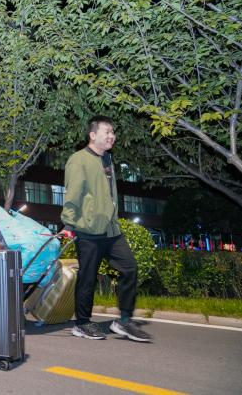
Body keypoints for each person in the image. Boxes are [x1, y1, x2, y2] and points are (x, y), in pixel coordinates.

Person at [61, 115, 151, 342]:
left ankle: (124, 321)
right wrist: (69, 224)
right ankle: (82, 323)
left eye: (113, 132)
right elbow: (72, 194)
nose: (112, 136)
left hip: (111, 230)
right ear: (93, 135)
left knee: (129, 267)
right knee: (88, 278)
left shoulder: (107, 159)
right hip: (88, 229)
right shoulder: (79, 159)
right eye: (107, 132)